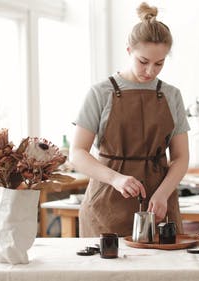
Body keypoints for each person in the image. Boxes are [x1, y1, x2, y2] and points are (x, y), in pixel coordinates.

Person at [70, 2, 190, 237]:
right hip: (107, 202)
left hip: (160, 203)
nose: (150, 71)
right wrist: (115, 179)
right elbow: (77, 153)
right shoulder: (100, 92)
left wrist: (164, 193)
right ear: (128, 50)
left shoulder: (172, 95)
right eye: (143, 61)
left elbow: (181, 157)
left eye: (159, 63)